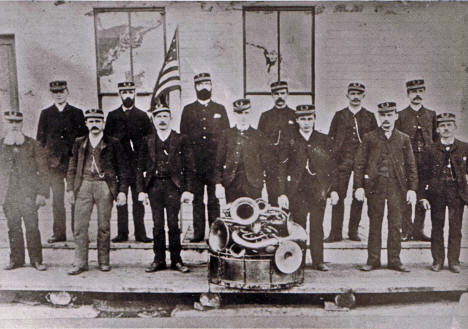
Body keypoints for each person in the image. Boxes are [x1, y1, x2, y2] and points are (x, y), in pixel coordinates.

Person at [354, 102, 418, 272]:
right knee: (375, 223)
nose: (386, 119)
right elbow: (359, 164)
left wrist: (412, 189)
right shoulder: (370, 137)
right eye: (383, 115)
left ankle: (395, 260)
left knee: (395, 224)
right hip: (376, 188)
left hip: (397, 188)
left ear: (396, 116)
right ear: (379, 117)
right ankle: (373, 260)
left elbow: (411, 166)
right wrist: (359, 187)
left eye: (390, 115)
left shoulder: (403, 138)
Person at [66, 109, 128, 275]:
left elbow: (123, 169)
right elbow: (71, 167)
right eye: (91, 121)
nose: (94, 124)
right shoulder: (79, 142)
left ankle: (104, 261)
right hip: (84, 185)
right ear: (86, 123)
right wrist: (70, 189)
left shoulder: (113, 142)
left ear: (103, 124)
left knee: (104, 226)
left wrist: (122, 191)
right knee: (79, 226)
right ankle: (80, 262)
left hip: (104, 185)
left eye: (98, 121)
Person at [278, 105, 339, 271]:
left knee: (317, 225)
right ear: (297, 120)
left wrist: (333, 190)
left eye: (309, 119)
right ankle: (300, 260)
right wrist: (282, 192)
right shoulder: (289, 140)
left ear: (314, 119)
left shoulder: (324, 140)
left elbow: (332, 168)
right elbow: (281, 168)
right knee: (299, 226)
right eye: (303, 119)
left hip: (318, 190)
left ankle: (319, 261)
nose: (306, 123)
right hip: (297, 191)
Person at [136, 105, 195, 273]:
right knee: (157, 224)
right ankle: (159, 260)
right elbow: (139, 167)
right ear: (153, 120)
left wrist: (187, 189)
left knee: (173, 224)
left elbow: (190, 168)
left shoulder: (181, 139)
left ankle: (177, 260)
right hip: (154, 186)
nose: (162, 119)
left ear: (170, 119)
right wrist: (141, 190)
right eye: (158, 116)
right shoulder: (147, 140)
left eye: (165, 116)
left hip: (173, 186)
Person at [325, 82, 378, 242]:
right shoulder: (339, 115)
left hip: (362, 161)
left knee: (359, 195)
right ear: (347, 95)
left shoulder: (370, 116)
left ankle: (353, 231)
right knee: (338, 195)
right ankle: (335, 233)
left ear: (363, 96)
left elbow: (375, 140)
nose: (355, 97)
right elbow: (330, 140)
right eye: (352, 93)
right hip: (343, 161)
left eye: (359, 93)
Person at [180, 73, 229, 242]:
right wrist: (188, 162)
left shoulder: (220, 109)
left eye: (207, 83)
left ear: (212, 86)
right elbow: (183, 138)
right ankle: (198, 232)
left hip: (214, 164)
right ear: (195, 87)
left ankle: (213, 232)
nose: (204, 87)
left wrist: (222, 162)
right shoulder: (188, 110)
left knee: (214, 200)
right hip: (195, 164)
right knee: (197, 200)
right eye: (200, 84)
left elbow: (226, 137)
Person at [36, 80, 87, 243]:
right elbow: (40, 140)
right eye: (55, 92)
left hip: (73, 162)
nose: (58, 95)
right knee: (57, 199)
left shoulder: (77, 113)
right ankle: (59, 233)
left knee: (75, 197)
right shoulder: (46, 113)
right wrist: (44, 160)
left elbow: (84, 138)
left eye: (61, 91)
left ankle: (77, 232)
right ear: (52, 94)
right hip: (54, 163)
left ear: (67, 92)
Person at [105, 81, 152, 243]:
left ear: (134, 94)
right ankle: (122, 233)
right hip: (120, 165)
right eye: (124, 92)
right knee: (121, 199)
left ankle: (140, 233)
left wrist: (146, 165)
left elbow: (150, 141)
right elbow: (108, 141)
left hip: (138, 164)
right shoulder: (112, 116)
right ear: (120, 95)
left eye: (130, 92)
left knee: (138, 199)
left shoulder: (142, 116)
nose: (127, 96)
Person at [419, 113, 467, 273]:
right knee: (437, 227)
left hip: (456, 193)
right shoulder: (430, 149)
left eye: (449, 125)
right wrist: (423, 196)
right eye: (442, 126)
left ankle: (454, 261)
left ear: (455, 127)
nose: (446, 128)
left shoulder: (464, 147)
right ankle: (437, 260)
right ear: (438, 129)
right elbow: (423, 175)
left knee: (455, 228)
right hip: (437, 194)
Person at [1, 111, 49, 271]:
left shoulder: (33, 145)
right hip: (10, 196)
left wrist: (42, 193)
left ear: (22, 124)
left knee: (32, 227)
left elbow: (43, 170)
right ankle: (16, 259)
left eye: (17, 122)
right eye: (11, 122)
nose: (14, 125)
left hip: (28, 195)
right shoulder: (1, 146)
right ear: (6, 124)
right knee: (13, 227)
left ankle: (36, 260)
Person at [396, 79, 437, 241]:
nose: (417, 94)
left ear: (424, 92)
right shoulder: (400, 115)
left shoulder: (431, 115)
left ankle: (418, 230)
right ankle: (405, 230)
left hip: (426, 163)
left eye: (420, 90)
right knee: (406, 195)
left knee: (423, 195)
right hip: (407, 163)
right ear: (408, 94)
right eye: (413, 91)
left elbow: (435, 138)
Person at [214, 99, 270, 204]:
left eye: (246, 113)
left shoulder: (259, 135)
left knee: (253, 216)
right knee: (232, 216)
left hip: (253, 184)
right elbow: (218, 162)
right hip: (231, 183)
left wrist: (265, 184)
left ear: (250, 113)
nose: (243, 117)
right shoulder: (226, 134)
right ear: (234, 114)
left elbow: (266, 163)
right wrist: (218, 183)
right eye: (239, 113)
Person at [257, 81, 296, 206]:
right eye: (276, 93)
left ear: (287, 94)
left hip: (291, 164)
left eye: (282, 93)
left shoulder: (294, 115)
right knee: (273, 200)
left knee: (291, 200)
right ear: (272, 95)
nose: (280, 96)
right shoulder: (265, 116)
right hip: (271, 166)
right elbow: (260, 142)